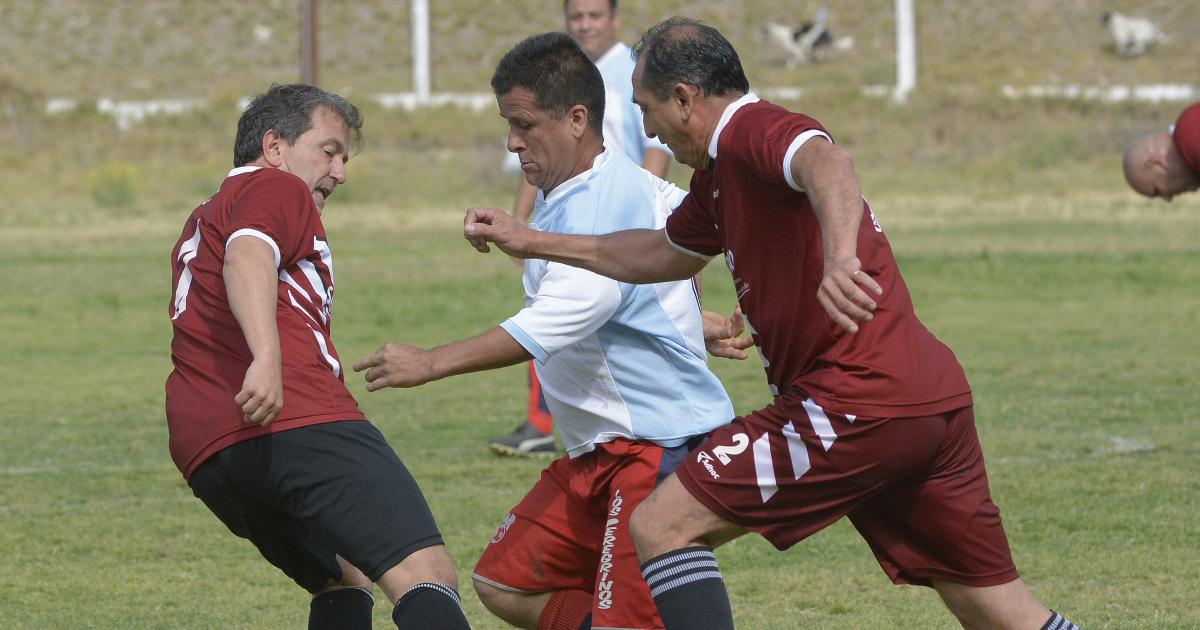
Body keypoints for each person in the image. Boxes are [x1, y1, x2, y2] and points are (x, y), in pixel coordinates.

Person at [463, 18, 1082, 630]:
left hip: (854, 397)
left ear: (684, 100)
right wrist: (535, 240)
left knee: (660, 524)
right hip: (927, 397)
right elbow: (653, 255)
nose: (645, 127)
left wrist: (842, 256)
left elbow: (826, 160)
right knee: (999, 611)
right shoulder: (716, 180)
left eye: (647, 109)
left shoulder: (747, 129)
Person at [354, 32, 738, 630]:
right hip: (597, 452)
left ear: (577, 119)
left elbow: (549, 325)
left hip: (652, 447)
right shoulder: (602, 187)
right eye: (509, 124)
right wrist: (692, 323)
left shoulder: (599, 202)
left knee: (634, 615)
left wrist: (430, 362)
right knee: (507, 582)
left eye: (524, 124)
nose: (512, 142)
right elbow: (671, 252)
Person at [165, 83, 471, 630]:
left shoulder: (208, 211)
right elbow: (248, 257)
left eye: (345, 157)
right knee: (426, 573)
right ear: (275, 145)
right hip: (293, 419)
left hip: (209, 451)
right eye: (329, 151)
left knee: (344, 579)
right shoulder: (276, 188)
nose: (340, 172)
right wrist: (266, 357)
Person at [490, 0, 676, 459]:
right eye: (577, 17)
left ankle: (656, 438)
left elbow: (655, 148)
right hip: (570, 214)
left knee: (563, 315)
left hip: (617, 222)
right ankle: (542, 423)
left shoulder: (632, 72)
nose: (586, 24)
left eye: (595, 16)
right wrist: (524, 221)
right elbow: (539, 152)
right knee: (552, 308)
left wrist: (645, 211)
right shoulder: (555, 78)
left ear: (614, 18)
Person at [1123, 101, 1200, 201]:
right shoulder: (1191, 120)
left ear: (1155, 163)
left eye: (1157, 191)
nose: (1168, 198)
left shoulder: (1193, 140)